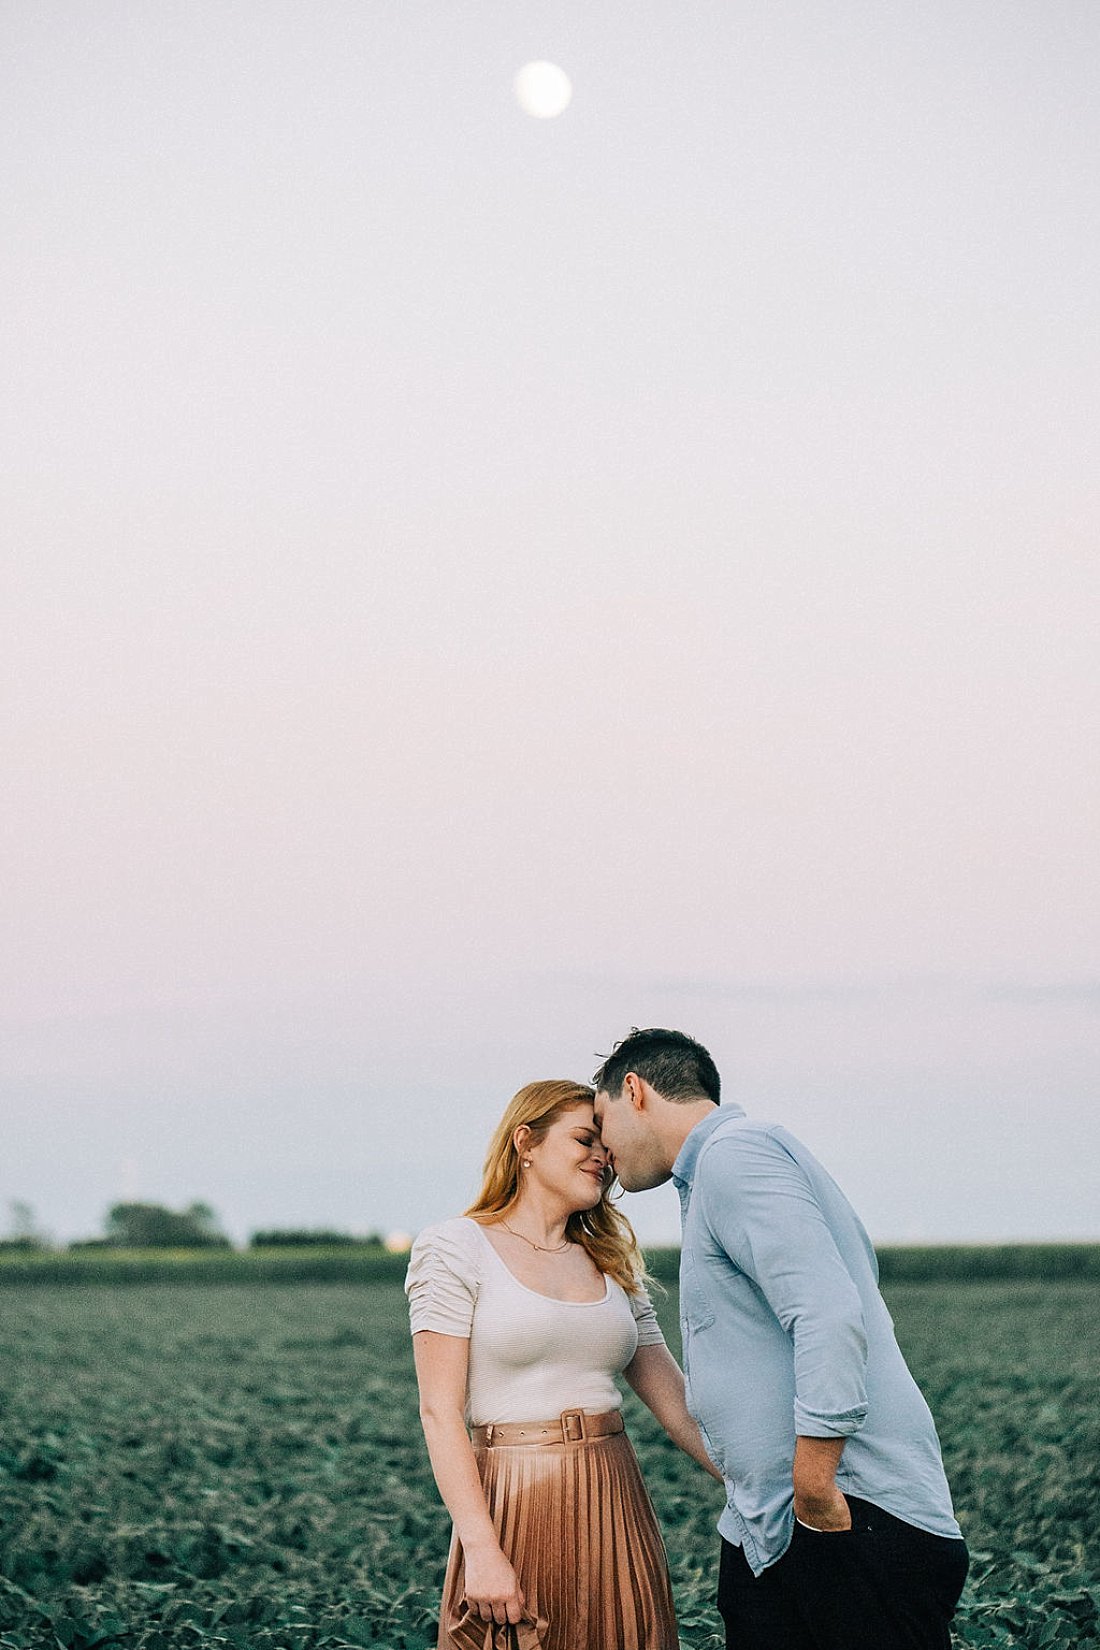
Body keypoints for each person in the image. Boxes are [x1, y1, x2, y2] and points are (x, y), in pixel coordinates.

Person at [592, 1028, 970, 1650]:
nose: (604, 1152)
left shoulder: (735, 1156)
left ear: (633, 1090)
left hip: (848, 1515)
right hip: (769, 1528)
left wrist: (814, 1490)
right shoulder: (721, 1170)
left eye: (601, 1122)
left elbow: (826, 1312)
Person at [405, 1078, 721, 1650]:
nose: (601, 1157)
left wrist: (760, 1487)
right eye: (583, 1140)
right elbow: (439, 1412)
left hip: (615, 1496)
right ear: (525, 1143)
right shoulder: (455, 1247)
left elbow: (677, 1405)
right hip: (513, 1495)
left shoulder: (611, 1262)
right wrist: (481, 1548)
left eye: (605, 1145)